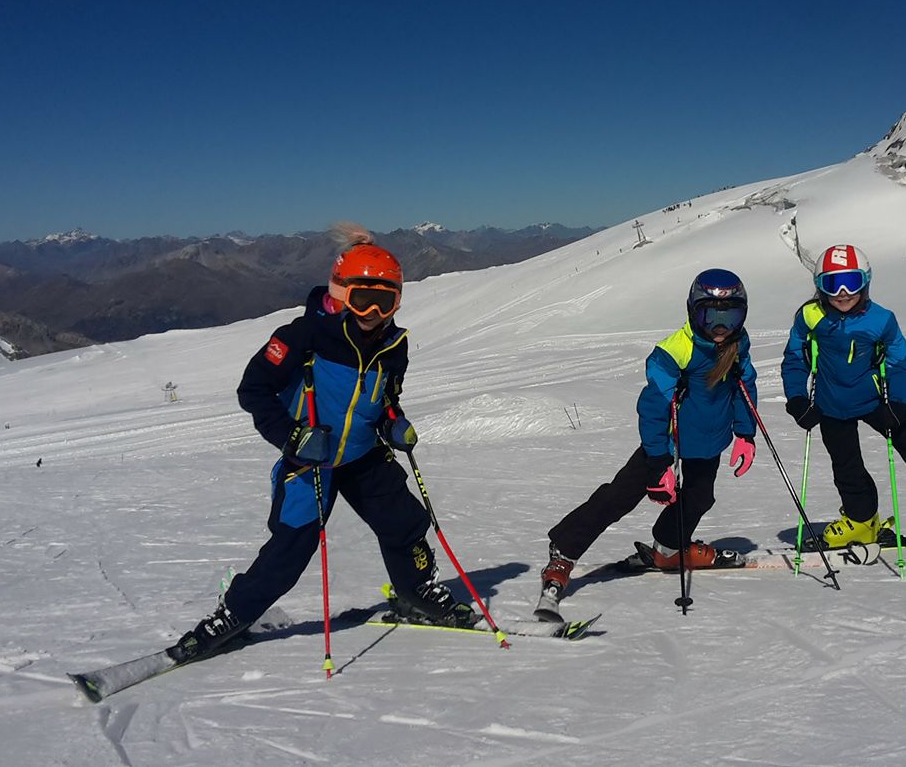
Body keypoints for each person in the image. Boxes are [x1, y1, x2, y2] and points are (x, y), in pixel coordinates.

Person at [171, 223, 470, 664]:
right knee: (291, 547)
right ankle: (233, 616)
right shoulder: (302, 337)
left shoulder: (394, 346)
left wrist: (393, 423)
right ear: (340, 292)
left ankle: (415, 592)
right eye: (362, 298)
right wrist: (292, 437)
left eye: (384, 300)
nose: (372, 311)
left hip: (364, 454)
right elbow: (253, 390)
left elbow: (386, 399)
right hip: (310, 458)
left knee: (405, 524)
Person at [538, 269, 759, 615]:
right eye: (710, 313)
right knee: (620, 497)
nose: (720, 326)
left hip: (708, 438)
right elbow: (654, 408)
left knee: (700, 496)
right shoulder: (674, 352)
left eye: (729, 314)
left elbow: (745, 389)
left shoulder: (738, 346)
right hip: (667, 439)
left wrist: (746, 434)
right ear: (692, 311)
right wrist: (658, 463)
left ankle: (669, 549)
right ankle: (564, 550)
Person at [780, 244, 906, 573]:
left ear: (865, 283)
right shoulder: (809, 317)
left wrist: (899, 404)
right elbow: (795, 360)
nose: (843, 293)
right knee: (846, 467)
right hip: (831, 404)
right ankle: (861, 521)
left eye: (851, 283)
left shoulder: (881, 319)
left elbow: (899, 362)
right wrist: (797, 399)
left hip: (877, 402)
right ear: (819, 287)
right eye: (832, 285)